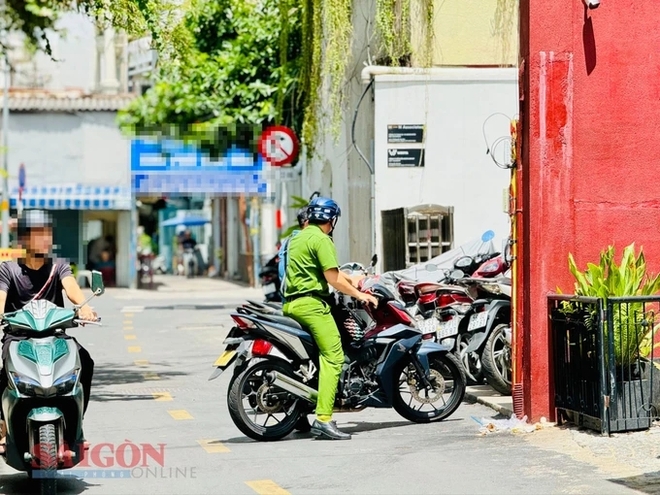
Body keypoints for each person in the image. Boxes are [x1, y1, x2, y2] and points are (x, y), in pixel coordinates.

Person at [0, 210, 98, 453]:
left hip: (55, 336)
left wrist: (84, 308)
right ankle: (3, 425)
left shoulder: (59, 266)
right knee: (2, 374)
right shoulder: (8, 270)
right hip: (18, 338)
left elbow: (72, 289)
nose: (45, 239)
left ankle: (77, 427)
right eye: (38, 234)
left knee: (84, 361)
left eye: (47, 233)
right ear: (23, 239)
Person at [283, 197, 378, 440]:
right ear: (331, 220)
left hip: (292, 304)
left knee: (314, 360)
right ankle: (324, 419)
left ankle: (302, 410)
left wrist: (353, 280)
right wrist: (360, 295)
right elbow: (332, 279)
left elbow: (333, 272)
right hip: (313, 306)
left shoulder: (298, 237)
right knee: (334, 357)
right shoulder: (322, 239)